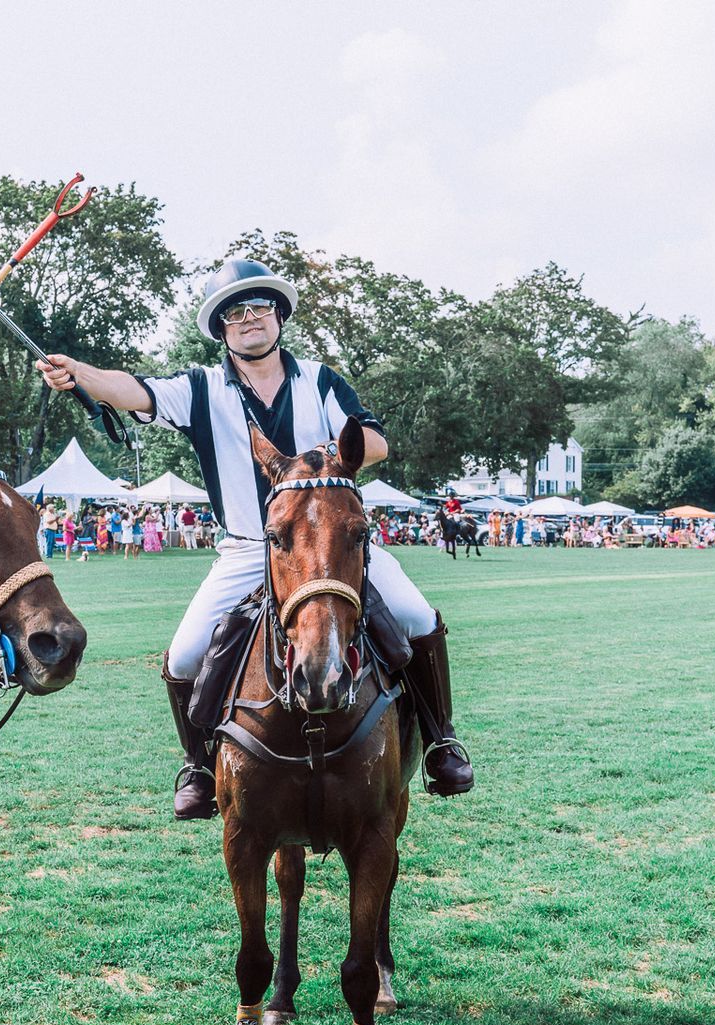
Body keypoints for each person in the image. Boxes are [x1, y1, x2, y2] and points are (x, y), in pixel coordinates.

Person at [36, 258, 473, 817]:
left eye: (259, 308)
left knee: (415, 616)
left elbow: (376, 443)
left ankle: (441, 741)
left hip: (334, 543)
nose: (248, 320)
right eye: (234, 313)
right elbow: (132, 390)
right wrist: (81, 374)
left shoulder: (320, 379)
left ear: (279, 316)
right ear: (222, 328)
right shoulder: (200, 389)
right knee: (188, 652)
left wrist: (332, 456)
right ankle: (197, 765)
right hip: (250, 545)